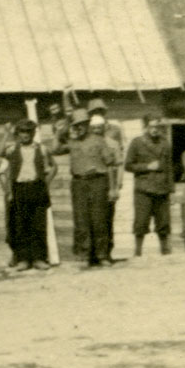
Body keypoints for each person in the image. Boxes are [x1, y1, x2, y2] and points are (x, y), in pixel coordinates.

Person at [62, 109, 119, 268]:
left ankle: (102, 255)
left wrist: (112, 188)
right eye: (76, 125)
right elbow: (55, 148)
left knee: (99, 219)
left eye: (82, 124)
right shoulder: (72, 141)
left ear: (88, 125)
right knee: (81, 220)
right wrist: (64, 127)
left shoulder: (99, 140)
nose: (79, 128)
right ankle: (85, 255)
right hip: (79, 183)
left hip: (98, 182)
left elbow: (110, 165)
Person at [0, 118, 54, 269]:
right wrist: (8, 191)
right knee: (20, 225)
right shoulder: (12, 150)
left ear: (33, 133)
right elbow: (1, 171)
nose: (25, 135)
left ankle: (39, 258)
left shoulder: (42, 149)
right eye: (22, 132)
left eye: (28, 132)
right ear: (17, 134)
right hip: (19, 189)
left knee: (38, 224)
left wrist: (45, 183)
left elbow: (52, 167)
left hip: (37, 188)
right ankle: (23, 259)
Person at [123, 116, 175, 256]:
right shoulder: (137, 143)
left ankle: (165, 252)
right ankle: (138, 252)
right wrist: (147, 166)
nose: (154, 130)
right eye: (151, 127)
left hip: (162, 189)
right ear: (145, 127)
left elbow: (170, 168)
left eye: (156, 127)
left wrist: (172, 190)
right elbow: (128, 165)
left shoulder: (165, 144)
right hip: (143, 190)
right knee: (141, 222)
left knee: (163, 223)